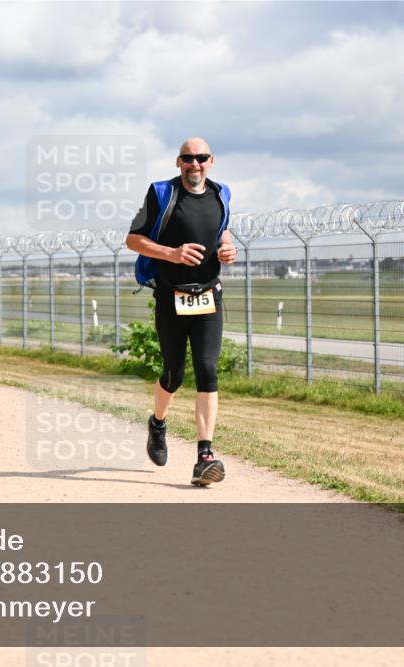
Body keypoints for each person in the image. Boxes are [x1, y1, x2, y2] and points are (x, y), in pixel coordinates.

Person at [125, 137, 237, 487]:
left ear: (211, 161)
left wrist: (228, 245)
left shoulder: (222, 194)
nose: (195, 164)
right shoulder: (161, 194)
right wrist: (172, 254)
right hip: (170, 296)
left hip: (208, 296)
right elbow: (133, 239)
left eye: (201, 158)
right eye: (188, 158)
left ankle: (205, 456)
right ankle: (158, 423)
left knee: (207, 369)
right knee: (174, 374)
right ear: (178, 162)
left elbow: (221, 230)